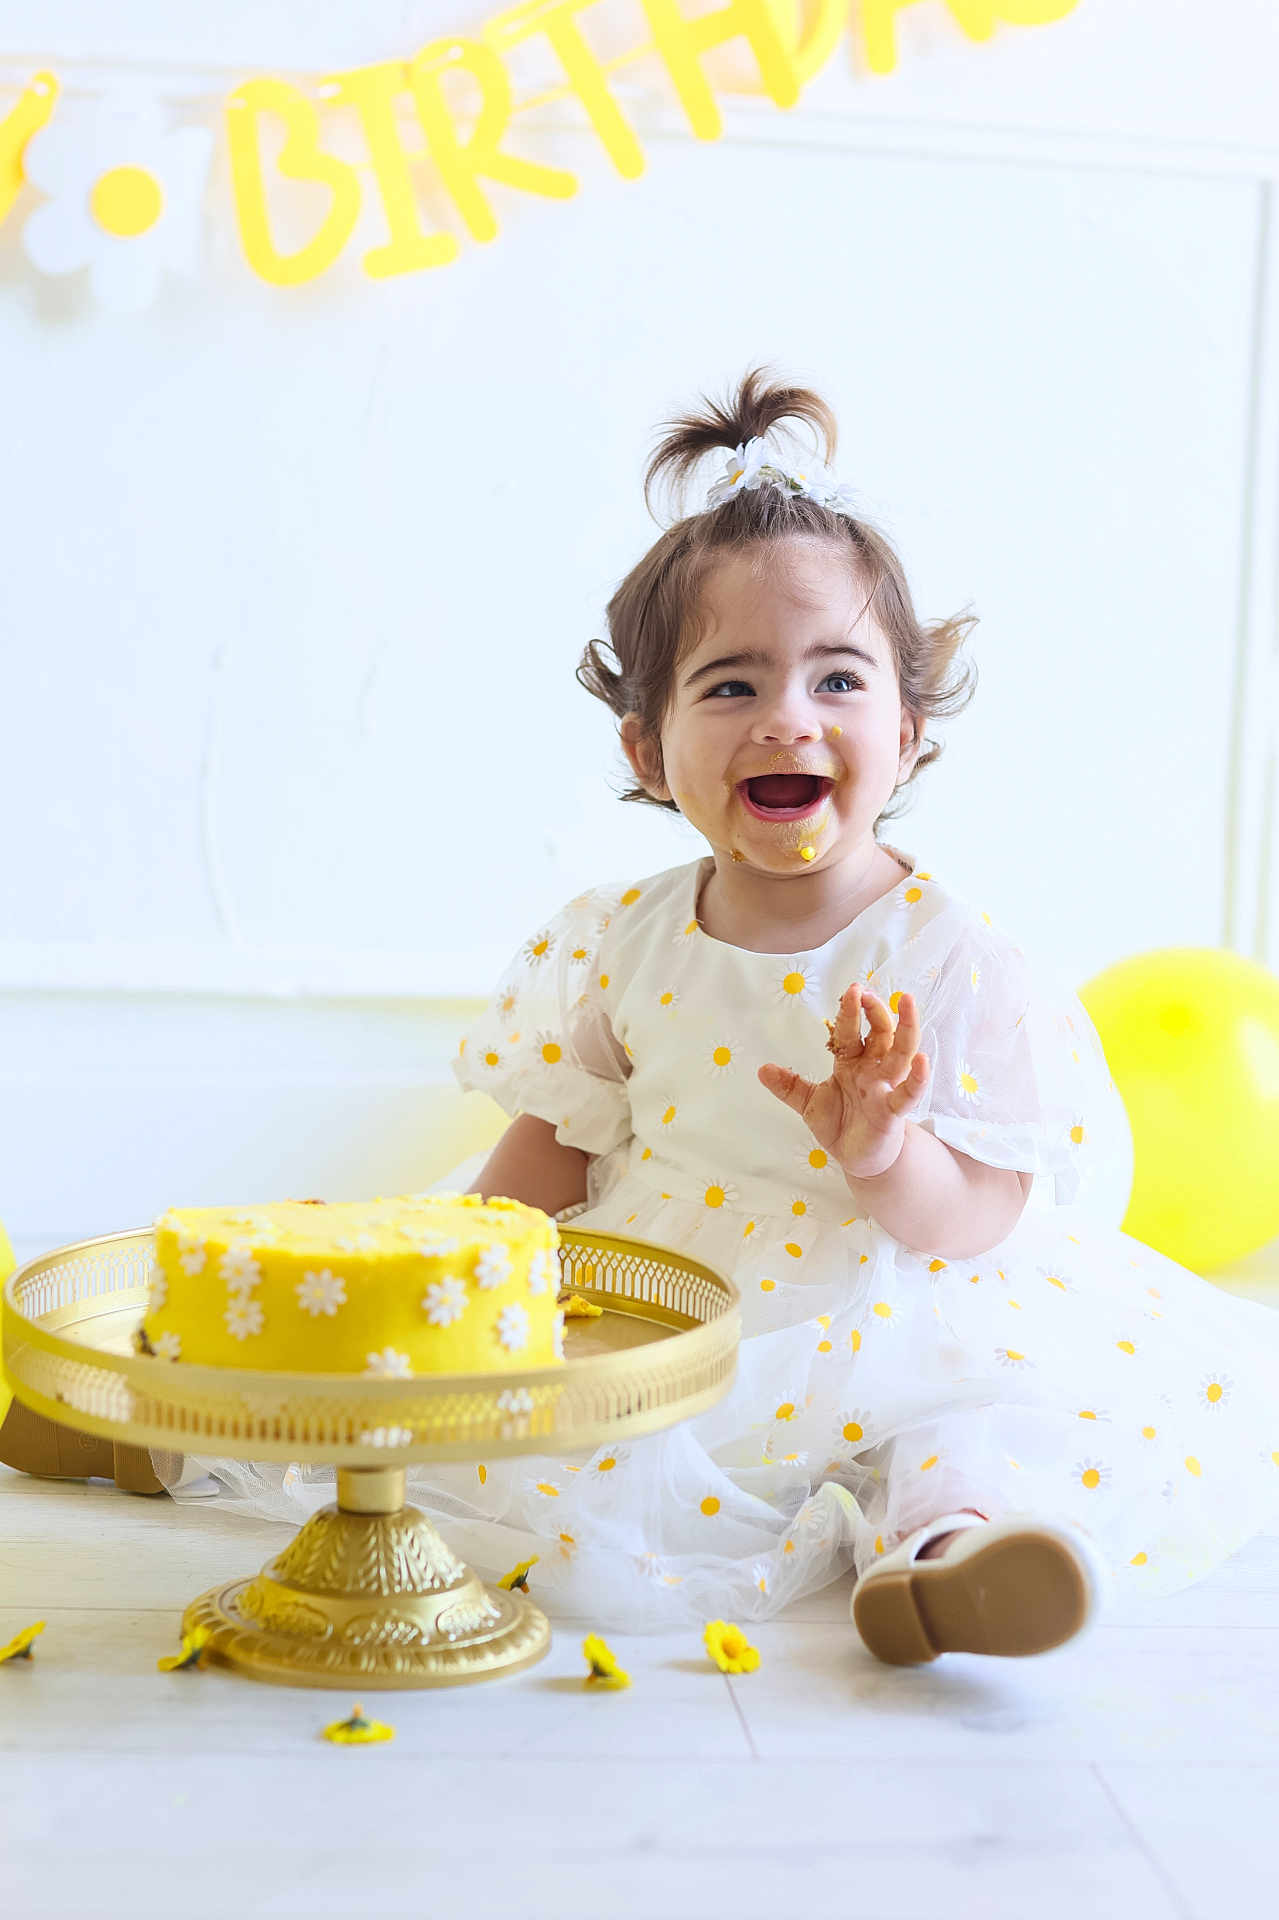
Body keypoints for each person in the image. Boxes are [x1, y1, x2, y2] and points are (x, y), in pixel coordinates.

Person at [170, 367, 1279, 1662]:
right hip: (671, 1293)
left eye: (839, 681)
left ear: (911, 732)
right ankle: (182, 1433)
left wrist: (882, 1147)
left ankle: (948, 1562)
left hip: (890, 1289)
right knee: (511, 1416)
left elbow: (981, 1222)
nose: (787, 719)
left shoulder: (951, 955)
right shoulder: (625, 938)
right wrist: (449, 1278)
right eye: (732, 686)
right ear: (649, 750)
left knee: (956, 1426)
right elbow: (550, 1154)